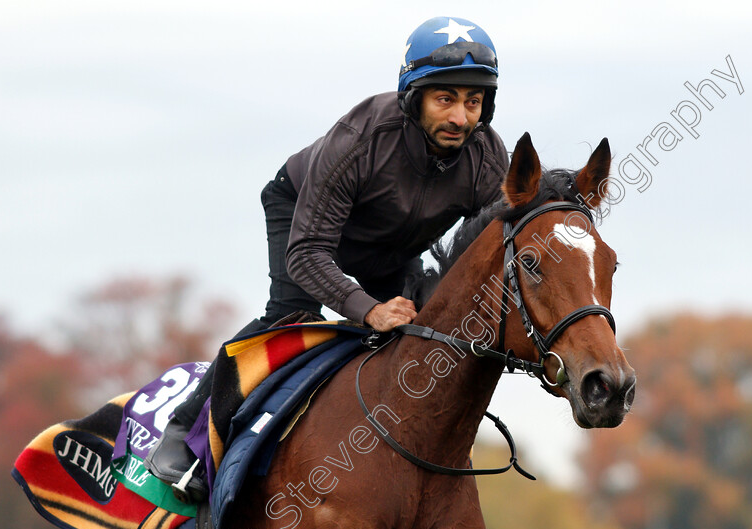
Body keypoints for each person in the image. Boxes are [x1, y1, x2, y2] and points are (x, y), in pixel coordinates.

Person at [144, 16, 509, 502]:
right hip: (303, 218)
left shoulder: (486, 158)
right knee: (292, 316)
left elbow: (485, 252)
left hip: (389, 243)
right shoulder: (361, 139)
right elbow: (307, 254)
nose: (461, 118)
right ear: (413, 98)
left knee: (420, 330)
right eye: (445, 99)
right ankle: (182, 432)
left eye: (473, 102)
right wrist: (368, 308)